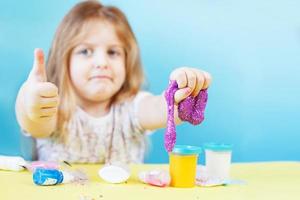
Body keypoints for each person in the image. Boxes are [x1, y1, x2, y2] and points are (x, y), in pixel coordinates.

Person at [15, 0, 212, 164]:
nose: (102, 63)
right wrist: (30, 103)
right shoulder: (55, 110)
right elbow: (35, 122)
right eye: (85, 51)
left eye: (113, 52)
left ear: (128, 61)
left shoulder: (133, 108)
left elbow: (159, 108)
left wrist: (181, 94)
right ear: (64, 61)